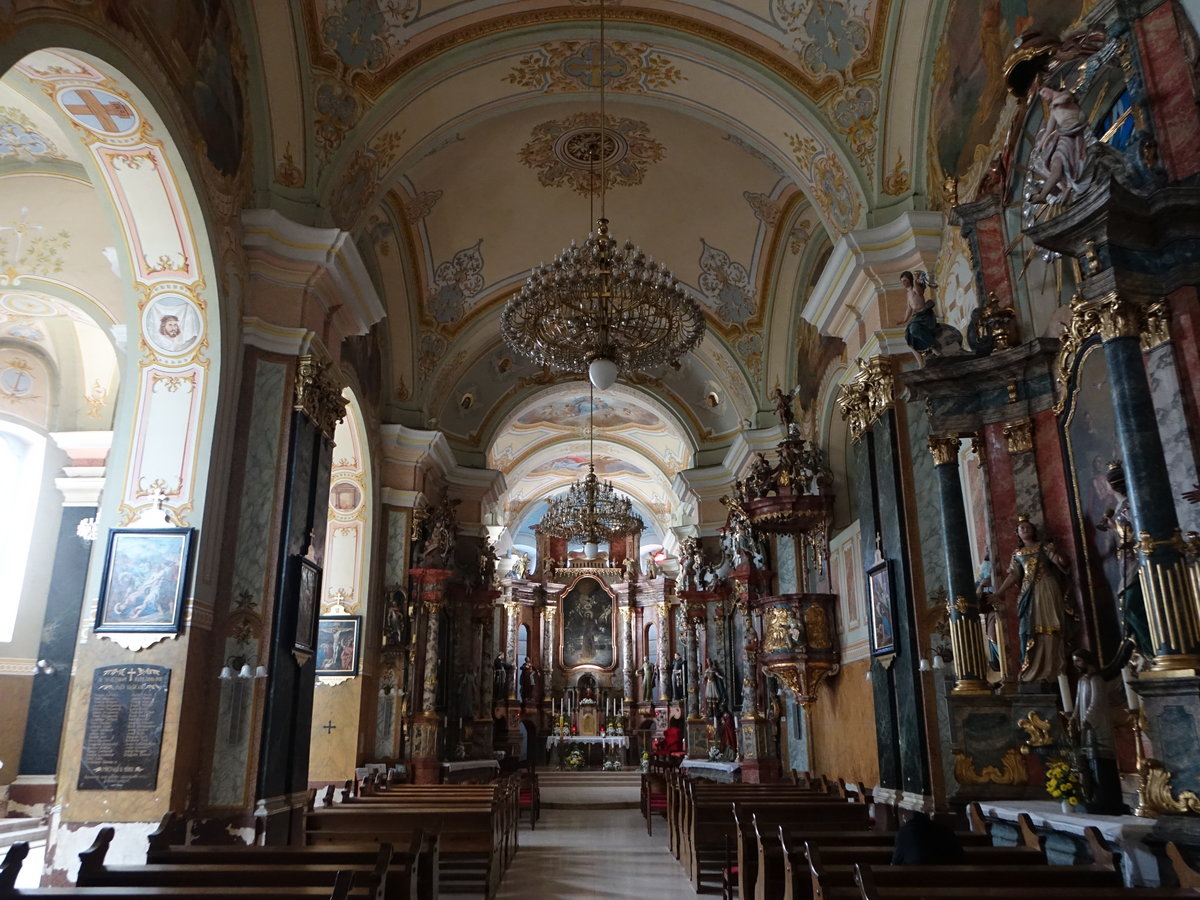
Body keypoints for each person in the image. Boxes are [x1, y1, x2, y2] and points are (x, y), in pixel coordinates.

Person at [992, 516, 1069, 684]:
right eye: (1021, 528)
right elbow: (1014, 575)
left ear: (1034, 530)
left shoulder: (1044, 547)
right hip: (1029, 592)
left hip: (1047, 587)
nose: (1025, 530)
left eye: (1027, 527)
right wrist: (999, 592)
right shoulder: (1018, 554)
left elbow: (1060, 562)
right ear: (1017, 534)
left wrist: (1059, 556)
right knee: (1029, 629)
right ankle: (1033, 668)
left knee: (1050, 626)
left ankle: (1052, 668)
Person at [1069, 648, 1125, 814]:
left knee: (1100, 761)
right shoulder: (1082, 680)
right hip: (1086, 726)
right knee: (1088, 761)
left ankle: (1106, 799)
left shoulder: (1096, 680)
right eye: (1074, 661)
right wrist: (1073, 717)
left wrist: (1087, 719)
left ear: (1087, 661)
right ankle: (1094, 796)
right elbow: (1079, 702)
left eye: (1078, 661)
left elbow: (1097, 702)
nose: (1076, 664)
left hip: (1096, 726)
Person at [1029, 81, 1090, 204]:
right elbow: (1049, 130)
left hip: (1072, 134)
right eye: (1041, 95)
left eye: (1044, 92)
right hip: (1063, 136)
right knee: (1053, 164)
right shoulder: (1053, 109)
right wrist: (1039, 148)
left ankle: (1044, 195)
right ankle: (1063, 187)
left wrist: (1055, 101)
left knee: (1058, 164)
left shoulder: (1065, 96)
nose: (1044, 96)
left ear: (1051, 88)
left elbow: (1066, 98)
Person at [891, 812, 964, 865]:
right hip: (948, 879)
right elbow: (960, 858)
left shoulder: (904, 832)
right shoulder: (944, 829)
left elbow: (896, 862)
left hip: (914, 879)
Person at [897, 270, 937, 362]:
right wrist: (904, 320)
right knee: (909, 341)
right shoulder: (908, 293)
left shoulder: (915, 288)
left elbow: (919, 292)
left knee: (914, 330)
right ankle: (920, 363)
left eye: (905, 280)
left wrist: (915, 280)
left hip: (923, 315)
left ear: (910, 280)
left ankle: (934, 347)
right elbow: (909, 308)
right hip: (915, 317)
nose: (904, 283)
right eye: (902, 281)